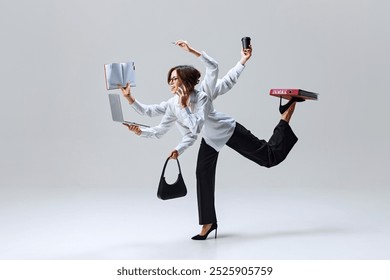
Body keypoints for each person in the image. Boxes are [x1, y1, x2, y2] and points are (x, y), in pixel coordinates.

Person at [121, 41, 303, 240]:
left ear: (186, 82)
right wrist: (132, 104)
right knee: (202, 174)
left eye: (175, 79)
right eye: (170, 79)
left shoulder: (202, 98)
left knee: (269, 158)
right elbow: (152, 117)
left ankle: (285, 115)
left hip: (227, 130)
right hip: (210, 139)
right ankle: (208, 223)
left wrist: (193, 52)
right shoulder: (174, 104)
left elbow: (196, 126)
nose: (170, 83)